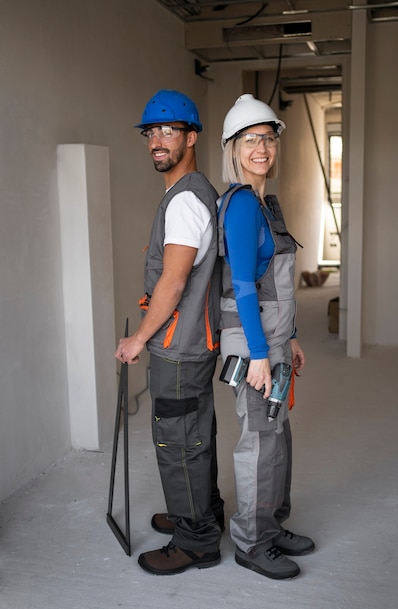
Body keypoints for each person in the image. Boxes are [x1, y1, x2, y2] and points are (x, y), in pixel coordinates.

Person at [115, 89, 223, 575]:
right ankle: (201, 513)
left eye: (169, 131)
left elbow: (175, 279)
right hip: (194, 342)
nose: (157, 140)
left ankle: (196, 540)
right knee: (196, 433)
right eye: (151, 132)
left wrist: (139, 338)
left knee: (178, 440)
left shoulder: (184, 203)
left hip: (178, 347)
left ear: (191, 136)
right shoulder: (195, 191)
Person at [217, 94, 315, 580]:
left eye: (268, 138)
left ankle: (272, 527)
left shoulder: (263, 203)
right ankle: (251, 542)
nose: (262, 148)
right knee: (259, 439)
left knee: (278, 436)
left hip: (273, 341)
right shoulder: (239, 206)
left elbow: (273, 281)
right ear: (233, 148)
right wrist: (259, 354)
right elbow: (240, 286)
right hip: (253, 345)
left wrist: (290, 336)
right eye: (251, 139)